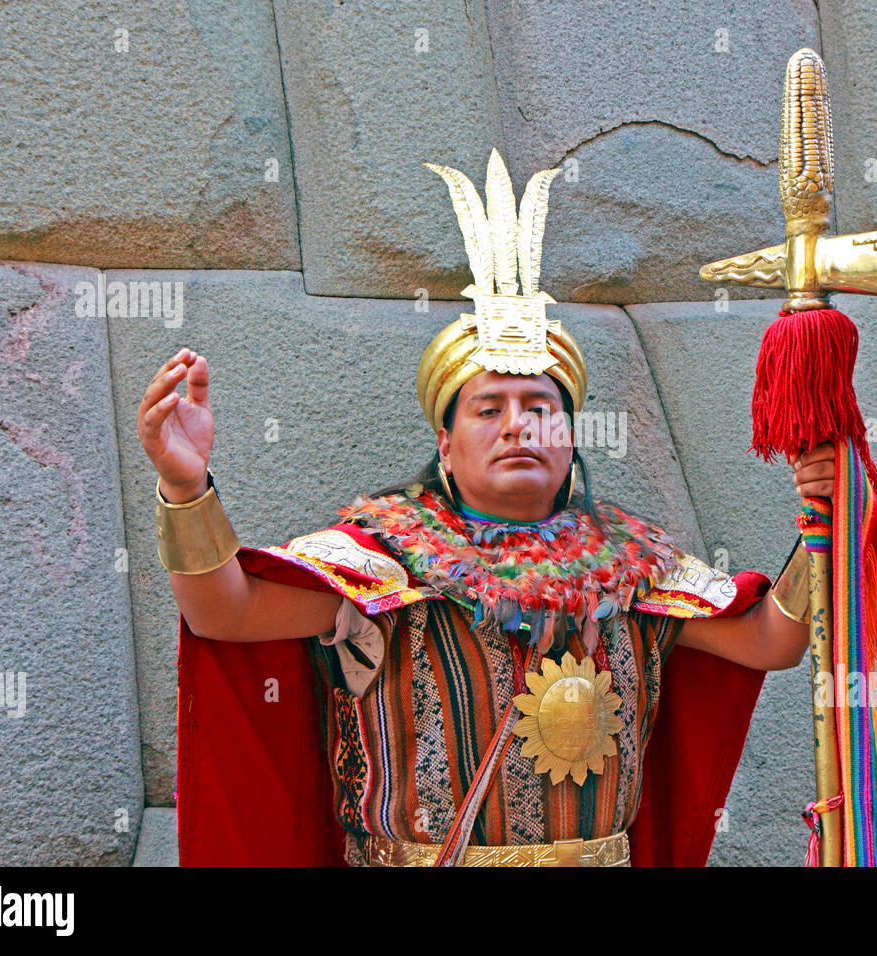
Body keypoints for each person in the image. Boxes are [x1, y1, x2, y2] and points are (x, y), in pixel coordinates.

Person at [137, 150, 836, 867]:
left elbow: (768, 641)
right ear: (445, 445)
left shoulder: (635, 571)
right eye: (488, 408)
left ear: (570, 437)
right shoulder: (381, 565)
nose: (517, 425)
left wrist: (826, 521)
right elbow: (222, 613)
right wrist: (186, 490)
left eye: (540, 407)